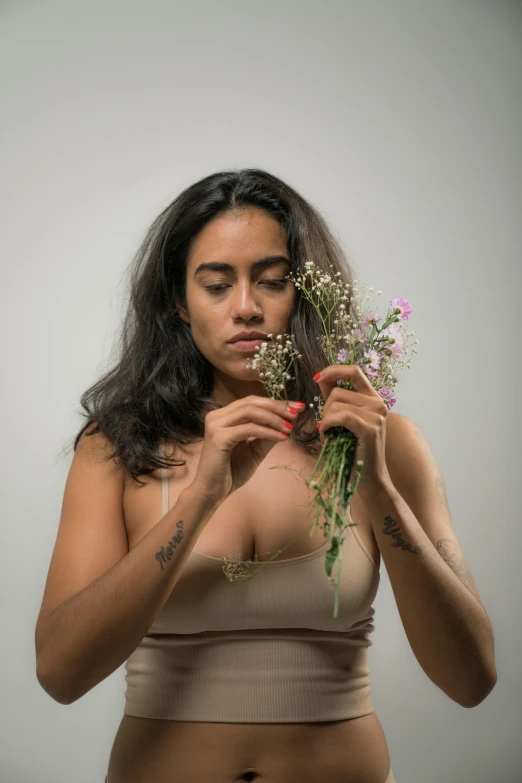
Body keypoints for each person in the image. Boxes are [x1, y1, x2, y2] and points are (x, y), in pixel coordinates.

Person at [35, 167, 404, 782]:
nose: (246, 308)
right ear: (180, 301)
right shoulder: (119, 450)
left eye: (272, 282)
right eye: (216, 285)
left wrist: (381, 483)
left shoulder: (372, 441)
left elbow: (475, 681)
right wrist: (200, 499)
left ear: (305, 292)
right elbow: (60, 675)